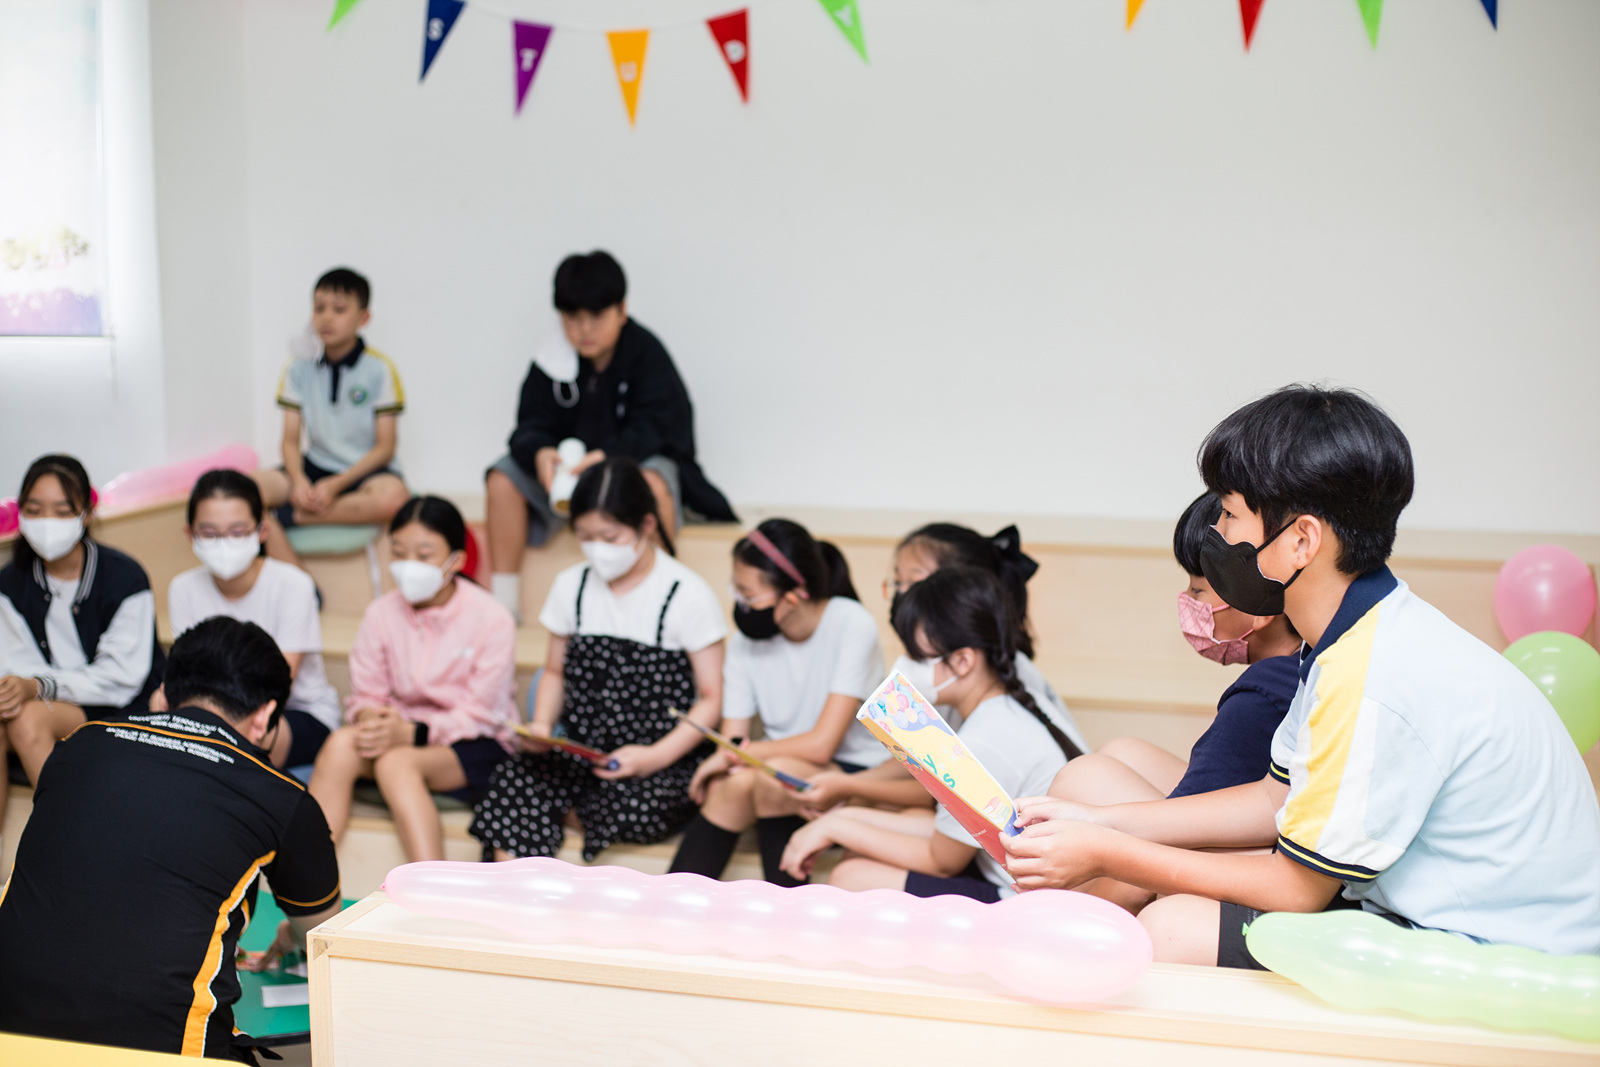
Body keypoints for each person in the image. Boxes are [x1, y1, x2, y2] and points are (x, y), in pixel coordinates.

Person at [1003, 385, 1600, 965]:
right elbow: (1276, 796)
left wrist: (1109, 851)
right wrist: (1100, 822)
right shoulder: (1352, 637)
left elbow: (1297, 888)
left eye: (1230, 514)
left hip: (1501, 949)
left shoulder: (1374, 673)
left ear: (1301, 541)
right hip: (1438, 913)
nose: (1218, 536)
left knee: (1174, 929)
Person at [0, 616, 341, 1061]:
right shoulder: (281, 794)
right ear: (263, 717)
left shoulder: (77, 745)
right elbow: (322, 932)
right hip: (165, 1052)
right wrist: (288, 934)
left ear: (162, 694)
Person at [1038, 491, 1304, 911]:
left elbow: (1170, 846)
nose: (1188, 603)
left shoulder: (1261, 695)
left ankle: (1071, 918)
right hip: (1268, 834)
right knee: (1123, 751)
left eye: (1198, 590)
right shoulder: (1299, 665)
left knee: (1084, 777)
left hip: (1254, 874)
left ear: (1260, 609)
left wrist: (1092, 871)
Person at [472, 457, 727, 862]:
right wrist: (542, 725)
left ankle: (548, 824)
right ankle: (515, 886)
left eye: (610, 536)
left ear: (646, 525)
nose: (598, 549)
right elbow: (554, 671)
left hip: (657, 757)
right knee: (511, 780)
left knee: (639, 807)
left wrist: (653, 757)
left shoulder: (686, 594)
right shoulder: (571, 585)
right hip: (581, 750)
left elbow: (711, 698)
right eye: (586, 537)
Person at [779, 566, 1079, 900]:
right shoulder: (1008, 708)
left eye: (916, 655)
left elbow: (941, 860)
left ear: (963, 661)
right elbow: (946, 831)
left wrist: (836, 827)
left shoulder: (983, 740)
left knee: (851, 876)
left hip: (1026, 898)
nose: (903, 665)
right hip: (1007, 870)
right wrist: (843, 819)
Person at [484, 251, 737, 622]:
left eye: (597, 317)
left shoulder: (647, 353)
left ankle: (661, 605)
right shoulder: (550, 360)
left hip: (627, 468)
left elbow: (662, 427)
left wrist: (607, 457)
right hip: (568, 479)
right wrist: (540, 452)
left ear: (622, 310)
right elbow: (528, 425)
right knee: (501, 477)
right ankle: (503, 605)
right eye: (573, 319)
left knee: (653, 482)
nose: (584, 330)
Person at [667, 518, 888, 886]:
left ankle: (784, 904)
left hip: (853, 770)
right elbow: (733, 739)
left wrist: (736, 754)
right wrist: (729, 757)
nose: (740, 603)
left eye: (748, 595)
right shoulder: (744, 644)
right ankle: (674, 900)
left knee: (770, 779)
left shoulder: (852, 624)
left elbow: (821, 745)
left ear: (793, 597)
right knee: (734, 785)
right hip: (775, 765)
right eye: (736, 590)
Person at [309, 496, 516, 862]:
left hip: (476, 741)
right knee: (340, 744)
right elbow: (367, 694)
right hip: (401, 732)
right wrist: (373, 720)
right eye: (399, 553)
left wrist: (411, 733)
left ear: (456, 560)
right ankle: (309, 879)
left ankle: (427, 886)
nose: (409, 566)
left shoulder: (492, 618)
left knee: (396, 762)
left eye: (424, 555)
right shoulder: (381, 613)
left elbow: (480, 715)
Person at [0, 455, 163, 832]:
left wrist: (39, 686)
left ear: (87, 514)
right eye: (34, 510)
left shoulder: (125, 578)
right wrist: (18, 688)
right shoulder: (10, 582)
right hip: (48, 701)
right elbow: (15, 661)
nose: (46, 522)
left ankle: (70, 837)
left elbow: (120, 678)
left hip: (120, 705)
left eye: (62, 511)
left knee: (25, 717)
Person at [167, 469, 341, 770]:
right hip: (214, 710)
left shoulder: (293, 584)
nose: (223, 543)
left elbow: (277, 683)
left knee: (237, 736)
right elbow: (185, 672)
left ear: (261, 531)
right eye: (209, 533)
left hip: (291, 711)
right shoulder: (183, 588)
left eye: (237, 532)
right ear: (189, 534)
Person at [255, 267, 410, 569]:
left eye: (339, 309)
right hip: (315, 465)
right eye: (319, 308)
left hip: (364, 471)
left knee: (394, 499)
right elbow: (289, 440)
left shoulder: (380, 369)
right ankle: (300, 584)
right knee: (245, 491)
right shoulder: (297, 368)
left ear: (363, 317)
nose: (326, 317)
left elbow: (385, 447)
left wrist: (337, 484)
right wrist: (299, 481)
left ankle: (292, 516)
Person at [884, 522, 1087, 747]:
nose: (903, 595)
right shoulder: (948, 678)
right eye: (898, 583)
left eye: (915, 584)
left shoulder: (1004, 682)